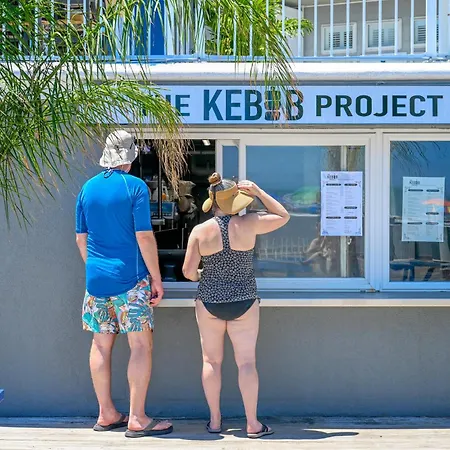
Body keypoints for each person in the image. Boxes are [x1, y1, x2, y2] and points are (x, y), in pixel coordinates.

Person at [75, 129, 173, 438]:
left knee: (100, 345)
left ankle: (106, 413)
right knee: (140, 345)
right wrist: (156, 278)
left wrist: (96, 268)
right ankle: (137, 418)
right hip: (130, 281)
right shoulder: (135, 186)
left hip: (96, 281)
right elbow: (144, 236)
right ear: (130, 158)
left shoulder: (87, 188)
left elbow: (81, 238)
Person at [182, 173, 290, 439]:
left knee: (211, 361)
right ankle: (252, 424)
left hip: (209, 302)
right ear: (235, 201)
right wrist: (259, 192)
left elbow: (188, 272)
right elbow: (283, 215)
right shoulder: (250, 223)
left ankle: (215, 421)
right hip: (244, 301)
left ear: (212, 202)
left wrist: (201, 274)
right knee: (247, 363)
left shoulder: (200, 231)